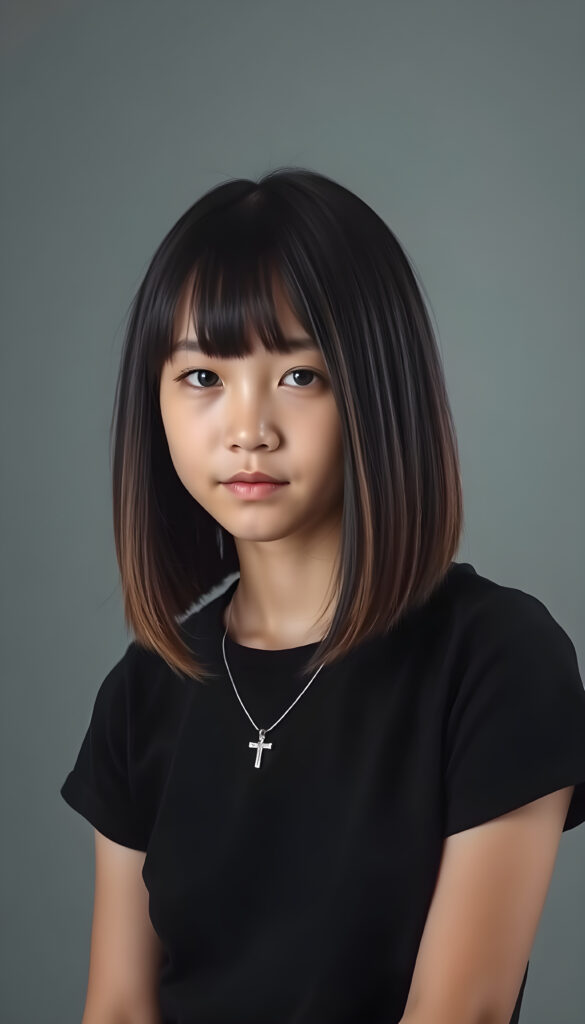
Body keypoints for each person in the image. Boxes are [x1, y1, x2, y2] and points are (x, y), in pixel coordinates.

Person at [60, 167, 585, 1024]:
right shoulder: (142, 693)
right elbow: (116, 1009)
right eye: (202, 378)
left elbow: (463, 1010)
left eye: (299, 376)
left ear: (377, 388)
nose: (247, 428)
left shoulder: (494, 660)